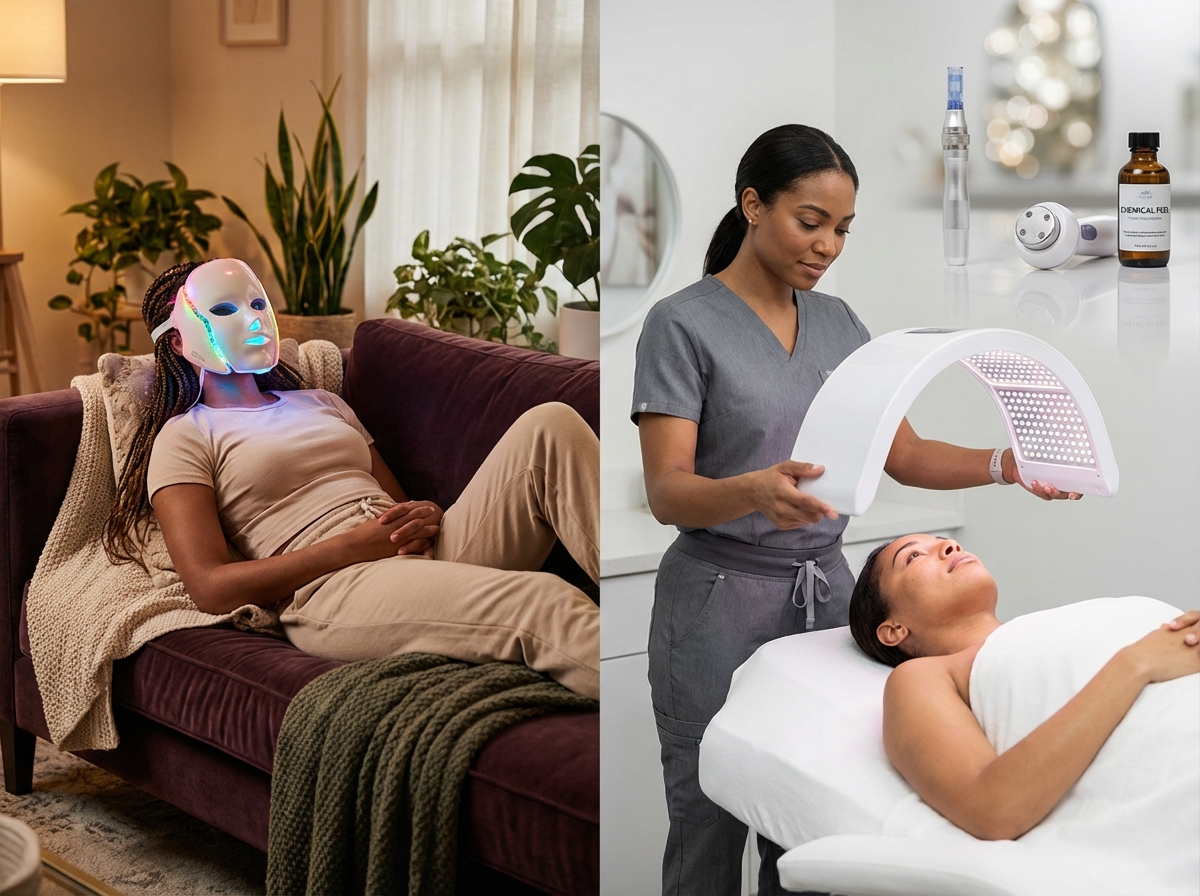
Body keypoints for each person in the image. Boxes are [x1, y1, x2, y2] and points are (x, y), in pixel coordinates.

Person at [631, 124, 1080, 895]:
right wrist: (751, 490)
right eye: (811, 222)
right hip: (715, 603)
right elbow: (667, 491)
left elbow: (900, 453)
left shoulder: (839, 325)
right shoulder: (682, 324)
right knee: (709, 817)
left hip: (827, 598)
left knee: (804, 817)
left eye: (841, 229)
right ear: (752, 205)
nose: (828, 245)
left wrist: (1010, 463)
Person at [102, 259, 599, 700]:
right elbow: (209, 587)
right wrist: (353, 547)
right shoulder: (185, 436)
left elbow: (398, 504)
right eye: (226, 310)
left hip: (412, 550)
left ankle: (661, 599)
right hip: (334, 587)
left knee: (550, 424)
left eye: (257, 303)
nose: (253, 318)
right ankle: (667, 710)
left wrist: (428, 513)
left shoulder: (323, 402)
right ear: (178, 340)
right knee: (545, 599)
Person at [848, 533, 1199, 841]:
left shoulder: (1050, 626)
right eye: (913, 556)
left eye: (944, 541)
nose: (950, 546)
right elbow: (991, 808)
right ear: (893, 629)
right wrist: (1135, 664)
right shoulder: (926, 676)